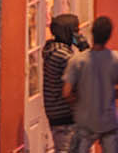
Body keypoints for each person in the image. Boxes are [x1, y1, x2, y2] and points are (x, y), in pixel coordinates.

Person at [62, 15, 118, 153]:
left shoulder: (78, 61)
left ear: (92, 33)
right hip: (109, 119)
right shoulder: (117, 60)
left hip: (85, 120)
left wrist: (81, 101)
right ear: (109, 35)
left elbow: (67, 93)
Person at [41, 14, 85, 153]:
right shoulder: (64, 56)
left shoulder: (54, 50)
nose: (79, 34)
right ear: (68, 32)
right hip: (66, 117)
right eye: (76, 31)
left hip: (58, 114)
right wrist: (85, 49)